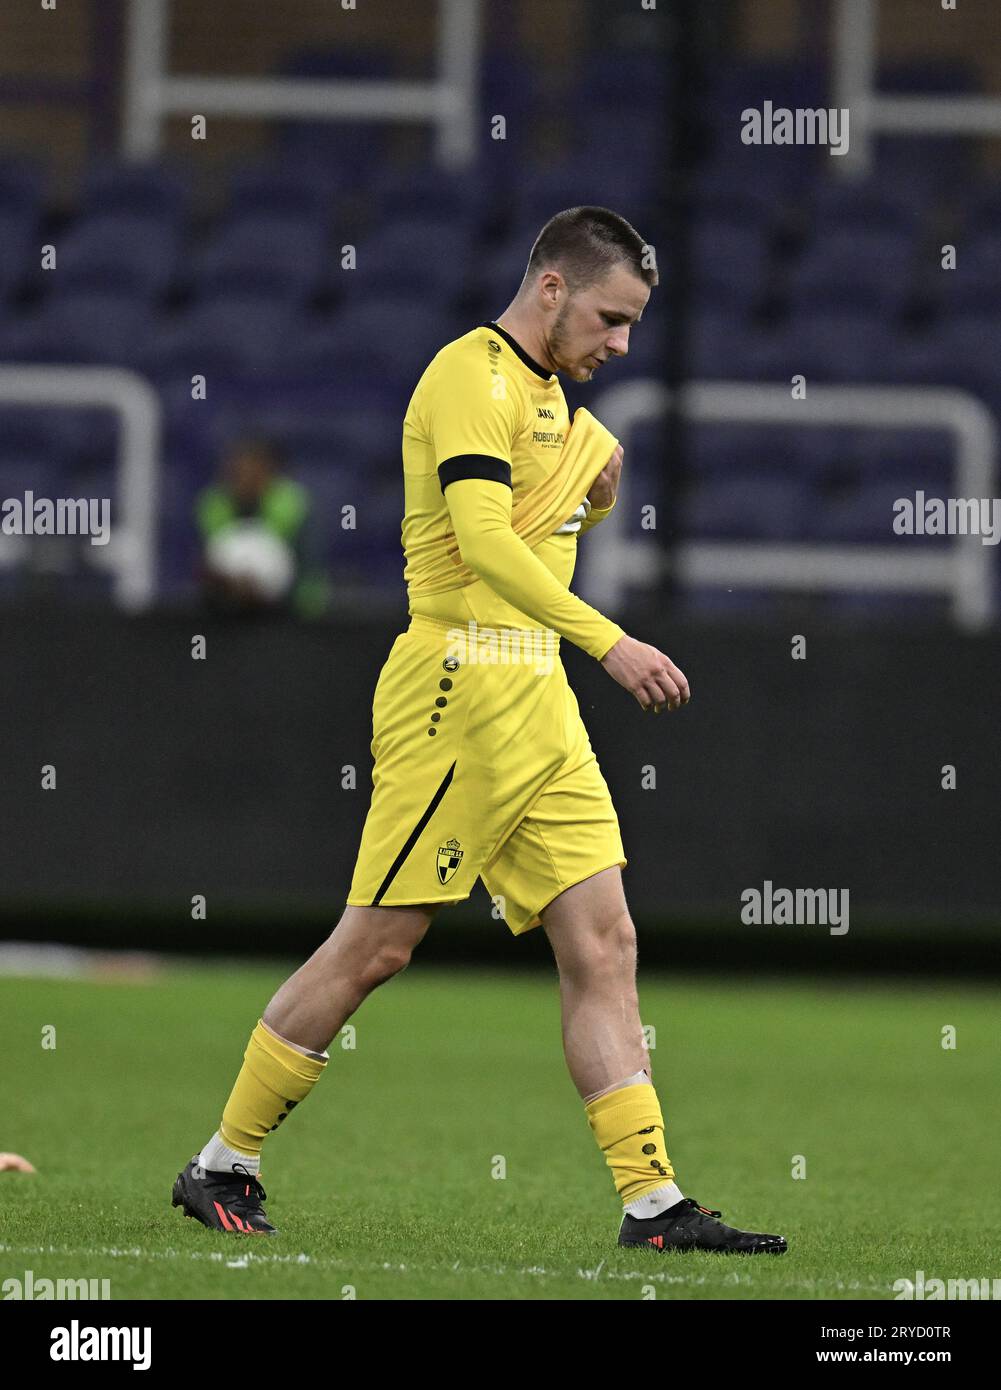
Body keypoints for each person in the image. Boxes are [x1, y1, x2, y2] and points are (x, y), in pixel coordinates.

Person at [172, 207, 787, 1255]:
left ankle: (652, 1202)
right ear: (550, 286)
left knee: (603, 941)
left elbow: (534, 545)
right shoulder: (469, 374)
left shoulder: (552, 395)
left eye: (633, 323)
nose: (620, 343)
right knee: (376, 944)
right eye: (609, 317)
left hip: (536, 696)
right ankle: (221, 1164)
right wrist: (610, 642)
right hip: (457, 688)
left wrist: (588, 516)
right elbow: (479, 545)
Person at [195, 436, 330, 618]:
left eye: (253, 468)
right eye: (238, 469)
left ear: (269, 469)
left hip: (287, 607)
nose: (245, 476)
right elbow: (211, 559)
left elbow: (307, 568)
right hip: (227, 608)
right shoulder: (214, 505)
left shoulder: (291, 504)